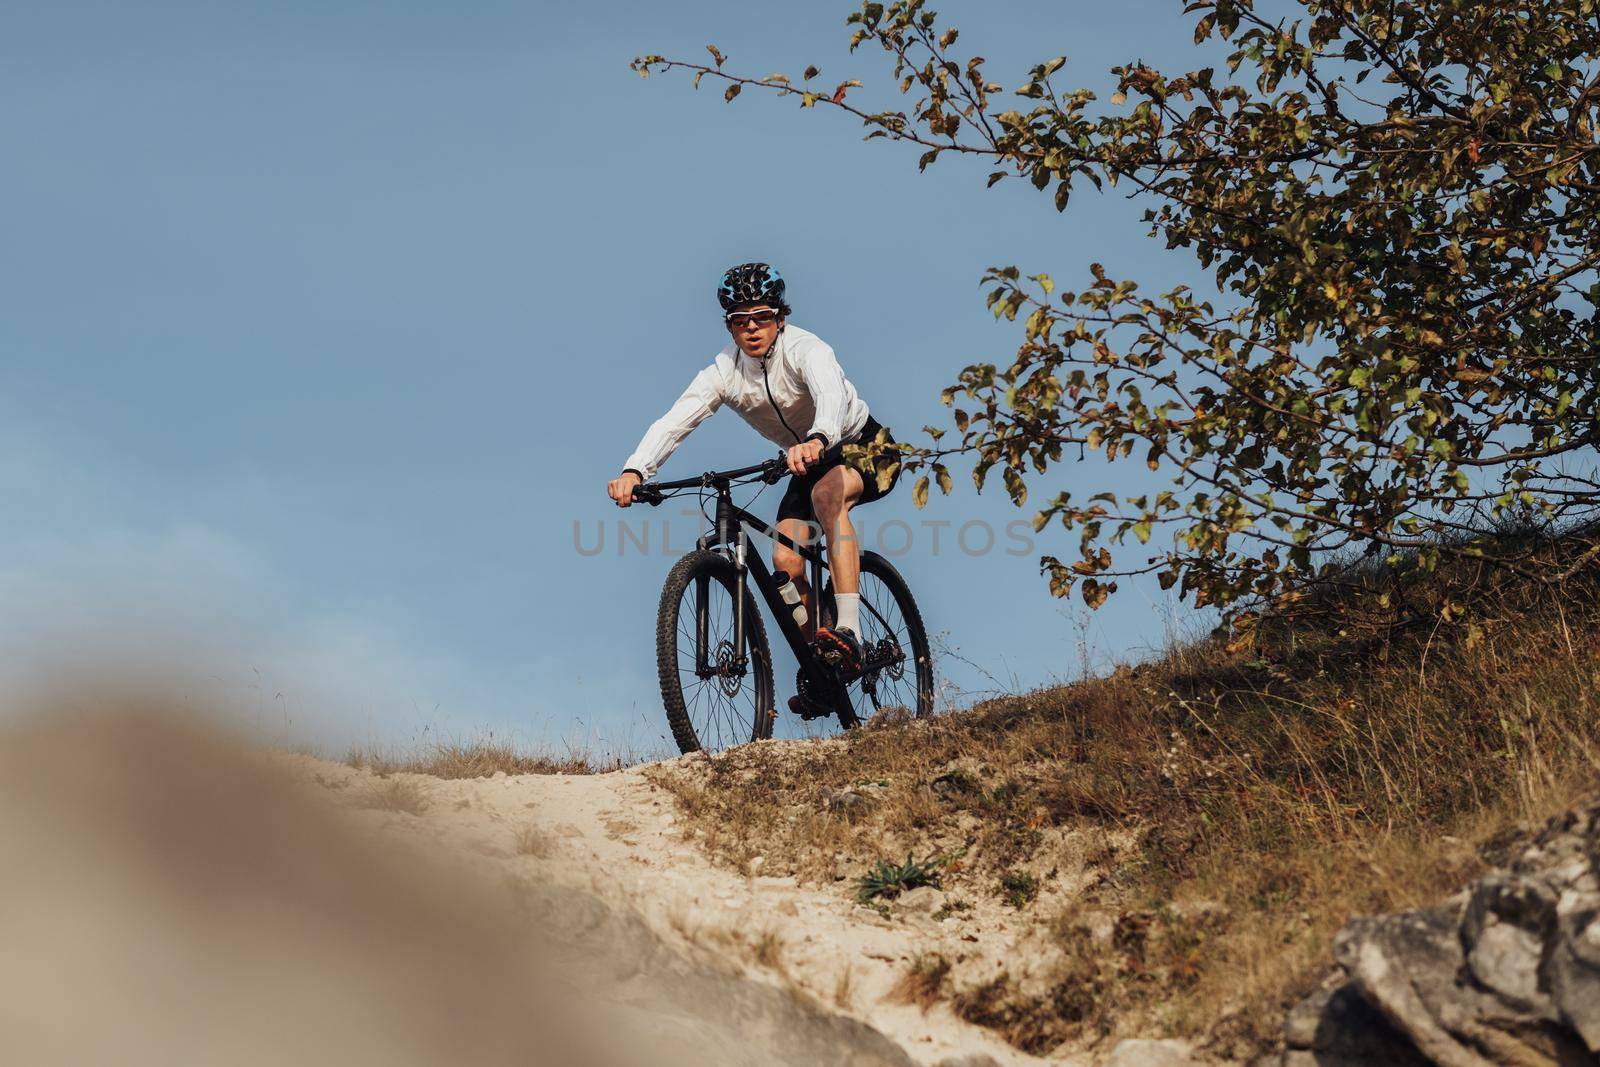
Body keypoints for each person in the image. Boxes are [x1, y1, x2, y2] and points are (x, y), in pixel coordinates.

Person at [606, 263, 900, 716]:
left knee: (827, 498)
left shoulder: (807, 348)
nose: (751, 329)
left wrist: (820, 438)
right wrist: (635, 470)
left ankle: (850, 632)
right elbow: (676, 420)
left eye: (761, 317)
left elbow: (831, 398)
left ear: (780, 316)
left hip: (861, 444)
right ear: (730, 326)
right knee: (786, 559)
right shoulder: (725, 371)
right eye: (740, 321)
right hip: (806, 458)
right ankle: (821, 663)